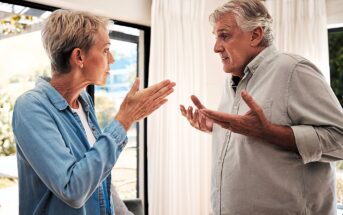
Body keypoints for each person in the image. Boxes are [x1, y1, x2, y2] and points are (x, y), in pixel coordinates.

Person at [180, 0, 343, 214]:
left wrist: (268, 132)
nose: (216, 47)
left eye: (224, 35)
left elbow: (340, 139)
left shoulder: (293, 70)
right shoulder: (232, 82)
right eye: (216, 37)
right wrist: (215, 127)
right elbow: (248, 140)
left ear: (255, 35)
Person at [12, 9, 175, 215]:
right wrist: (123, 121)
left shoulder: (84, 102)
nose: (112, 59)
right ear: (79, 56)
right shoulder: (31, 107)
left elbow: (98, 179)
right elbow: (73, 189)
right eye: (106, 50)